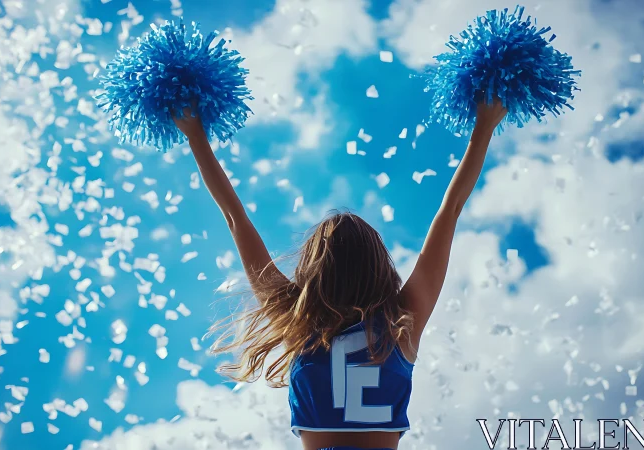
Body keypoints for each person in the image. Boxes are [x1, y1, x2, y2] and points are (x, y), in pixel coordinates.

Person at [173, 98, 507, 450]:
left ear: (313, 268)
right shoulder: (403, 319)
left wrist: (195, 134)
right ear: (379, 265)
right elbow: (450, 210)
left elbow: (234, 218)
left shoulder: (296, 320)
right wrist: (484, 125)